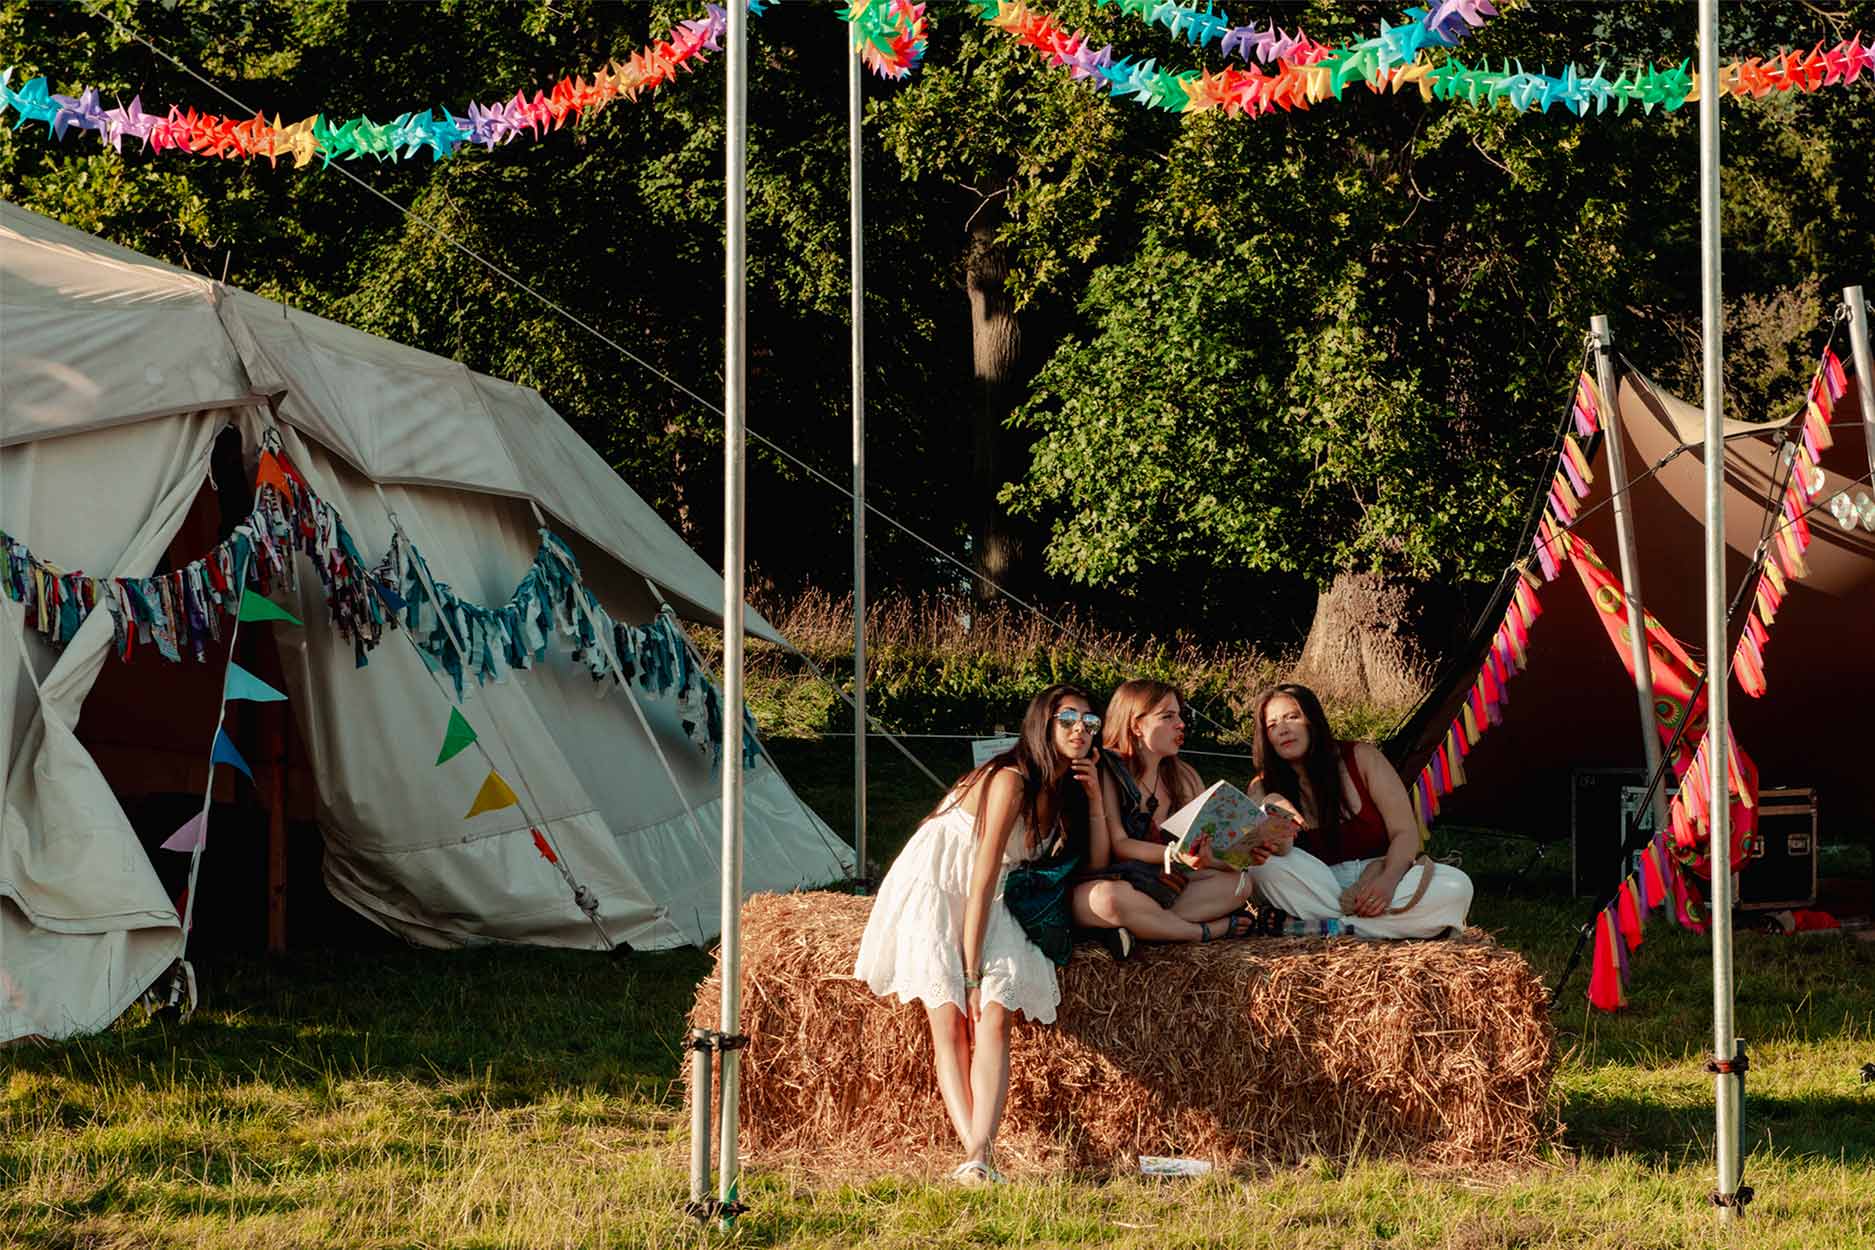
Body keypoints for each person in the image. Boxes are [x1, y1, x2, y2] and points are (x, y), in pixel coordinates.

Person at [852, 683, 1104, 1185]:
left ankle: (977, 1153)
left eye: (1091, 722)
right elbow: (979, 872)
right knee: (949, 1018)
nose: (1081, 729)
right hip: (943, 881)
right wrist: (969, 972)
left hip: (999, 890)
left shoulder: (1069, 789)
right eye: (1068, 718)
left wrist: (1094, 798)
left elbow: (1095, 865)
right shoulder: (1011, 779)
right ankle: (979, 1157)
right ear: (1043, 723)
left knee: (995, 1013)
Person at [1070, 679, 1295, 944]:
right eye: (1167, 717)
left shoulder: (1183, 776)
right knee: (1108, 899)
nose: (1181, 724)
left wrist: (1243, 855)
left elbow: (1202, 855)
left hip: (1164, 886)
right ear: (1135, 725)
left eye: (1179, 715)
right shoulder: (1110, 768)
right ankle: (1206, 931)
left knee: (1240, 884)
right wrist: (1175, 854)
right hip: (1119, 882)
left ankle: (1140, 927)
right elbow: (1120, 845)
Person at [1246, 682, 1473, 939]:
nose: (1283, 730)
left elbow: (1404, 832)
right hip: (1317, 884)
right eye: (1272, 725)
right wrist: (1274, 806)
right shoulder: (1262, 786)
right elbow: (1278, 852)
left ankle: (1328, 927)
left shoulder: (1362, 757)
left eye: (1292, 717)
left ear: (1313, 720)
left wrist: (1387, 882)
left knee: (1457, 886)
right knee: (1261, 868)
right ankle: (1375, 928)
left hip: (1379, 874)